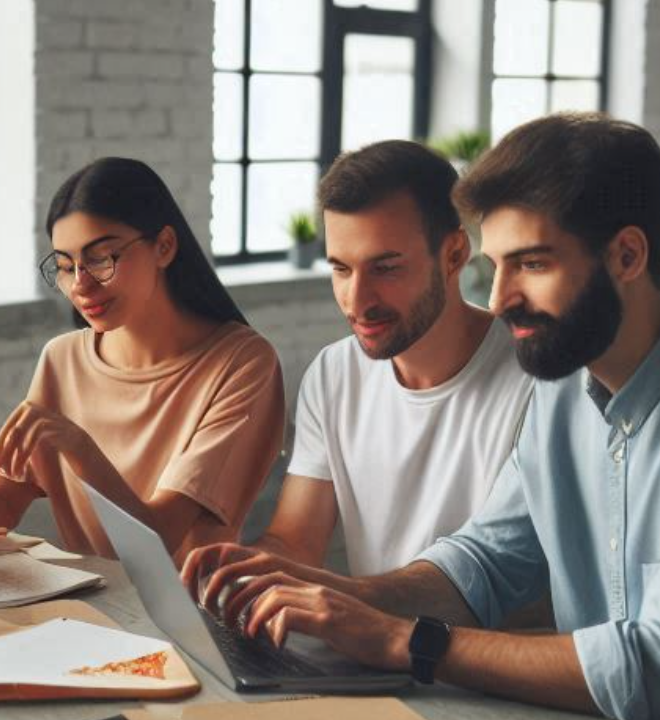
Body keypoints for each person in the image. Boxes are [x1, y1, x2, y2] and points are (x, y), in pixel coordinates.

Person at [203, 114, 660, 720]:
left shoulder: (539, 377)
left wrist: (404, 640)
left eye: (531, 264)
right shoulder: (565, 390)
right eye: (497, 266)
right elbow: (484, 563)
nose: (498, 300)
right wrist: (339, 598)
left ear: (626, 255)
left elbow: (649, 664)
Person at [182, 140, 533, 608]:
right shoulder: (334, 373)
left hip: (477, 653)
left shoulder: (537, 381)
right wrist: (242, 574)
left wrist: (345, 604)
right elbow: (295, 541)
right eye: (341, 269)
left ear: (453, 255)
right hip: (366, 642)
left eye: (385, 268)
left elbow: (498, 581)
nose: (357, 300)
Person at [0, 157, 285, 564]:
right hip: (89, 599)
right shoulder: (61, 358)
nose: (80, 285)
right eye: (65, 266)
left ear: (164, 246)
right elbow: (3, 497)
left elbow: (156, 540)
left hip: (192, 604)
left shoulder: (242, 364)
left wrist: (78, 447)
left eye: (101, 258)